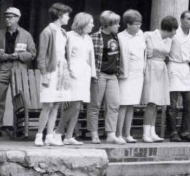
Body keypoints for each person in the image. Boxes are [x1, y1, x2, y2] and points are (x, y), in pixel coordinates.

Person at [0, 6, 36, 138]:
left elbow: (32, 54)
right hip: (2, 68)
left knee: (19, 99)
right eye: (6, 17)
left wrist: (18, 56)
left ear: (18, 18)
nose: (7, 20)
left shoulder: (26, 35)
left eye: (11, 17)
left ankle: (19, 127)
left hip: (18, 69)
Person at [36, 3, 72, 146]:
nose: (68, 18)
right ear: (59, 15)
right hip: (51, 71)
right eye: (67, 15)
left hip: (61, 71)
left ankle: (50, 136)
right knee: (48, 104)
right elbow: (42, 55)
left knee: (56, 104)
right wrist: (44, 74)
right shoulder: (47, 31)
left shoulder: (63, 32)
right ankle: (39, 136)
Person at [140, 15, 176, 143]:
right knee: (151, 102)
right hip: (151, 67)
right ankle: (145, 133)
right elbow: (140, 49)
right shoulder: (148, 35)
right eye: (174, 29)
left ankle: (152, 131)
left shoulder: (169, 40)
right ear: (170, 29)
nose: (175, 32)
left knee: (156, 103)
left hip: (161, 68)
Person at [61, 12, 96, 145]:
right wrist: (69, 71)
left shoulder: (88, 38)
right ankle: (58, 132)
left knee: (79, 104)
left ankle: (69, 136)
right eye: (90, 22)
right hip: (72, 72)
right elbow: (67, 55)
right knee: (74, 105)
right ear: (83, 23)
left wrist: (93, 74)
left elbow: (90, 57)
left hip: (84, 73)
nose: (93, 25)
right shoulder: (69, 36)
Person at [88, 10, 122, 144]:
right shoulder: (94, 37)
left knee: (114, 105)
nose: (119, 26)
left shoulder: (116, 37)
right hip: (99, 74)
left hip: (113, 75)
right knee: (95, 105)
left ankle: (111, 134)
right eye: (116, 24)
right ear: (108, 24)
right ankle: (94, 134)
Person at [116, 9, 146, 144]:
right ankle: (118, 134)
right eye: (136, 24)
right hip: (126, 75)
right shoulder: (120, 37)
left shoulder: (141, 35)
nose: (139, 26)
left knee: (131, 105)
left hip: (138, 75)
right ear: (128, 24)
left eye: (140, 23)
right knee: (123, 104)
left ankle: (127, 133)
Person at [166, 10, 190, 142]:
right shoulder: (174, 32)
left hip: (185, 67)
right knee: (172, 103)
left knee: (189, 102)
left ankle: (185, 131)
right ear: (182, 19)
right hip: (173, 65)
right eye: (188, 19)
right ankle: (173, 132)